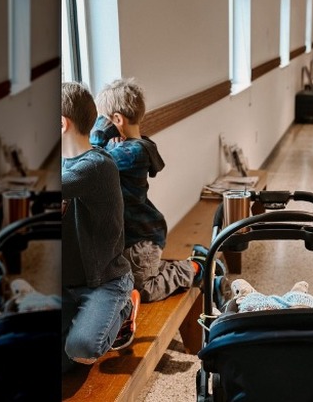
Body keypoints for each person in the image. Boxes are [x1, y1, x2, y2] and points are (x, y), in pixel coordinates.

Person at [90, 78, 229, 305]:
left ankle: (198, 266)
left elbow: (92, 162)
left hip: (140, 239)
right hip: (133, 236)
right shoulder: (127, 146)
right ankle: (190, 264)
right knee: (131, 279)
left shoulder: (133, 152)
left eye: (102, 120)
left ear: (117, 119)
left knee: (145, 290)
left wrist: (97, 134)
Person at [61, 81, 139, 373]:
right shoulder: (64, 163)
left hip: (104, 281)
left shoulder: (97, 165)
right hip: (68, 282)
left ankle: (125, 305)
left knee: (81, 349)